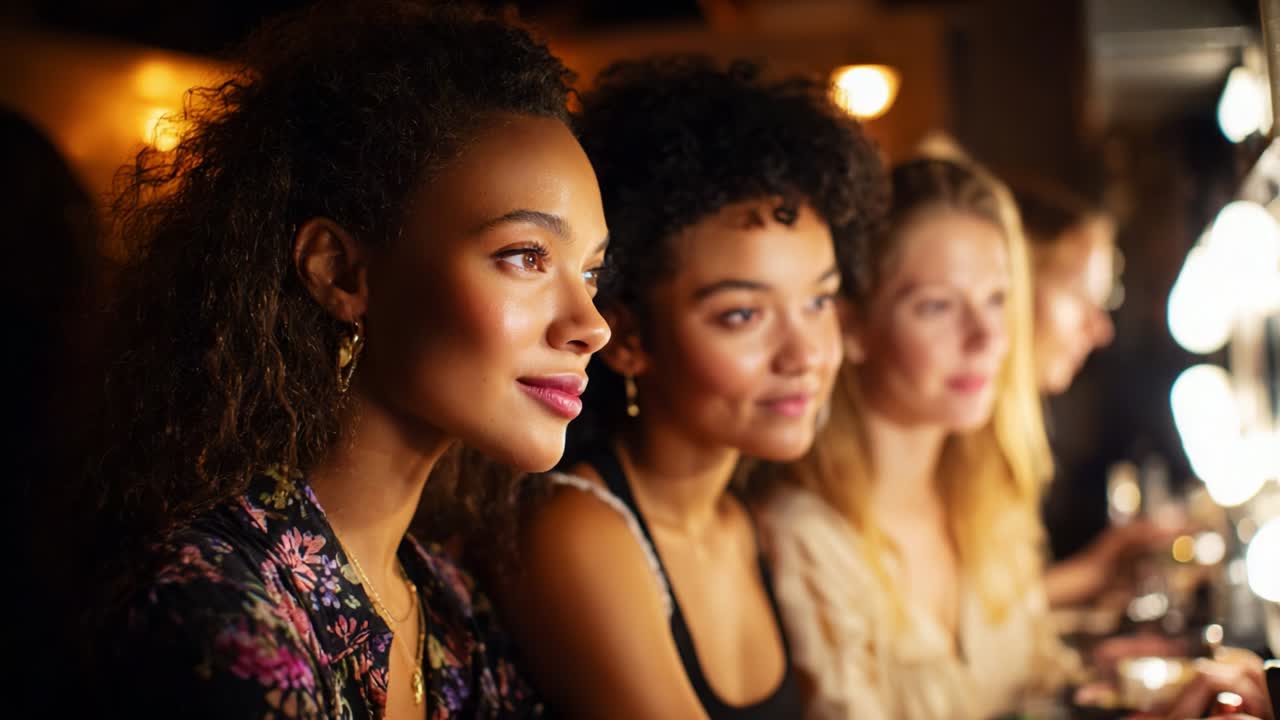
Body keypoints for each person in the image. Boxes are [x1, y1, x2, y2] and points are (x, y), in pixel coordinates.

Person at [86, 3, 609, 717]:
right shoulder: (212, 608)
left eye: (590, 273)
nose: (591, 325)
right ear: (341, 273)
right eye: (525, 256)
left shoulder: (452, 604)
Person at [489, 56, 886, 720]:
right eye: (742, 315)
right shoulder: (574, 530)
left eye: (820, 301)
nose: (806, 355)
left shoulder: (751, 522)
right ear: (629, 337)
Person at [758, 157, 1075, 720]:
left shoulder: (989, 498)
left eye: (998, 299)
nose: (984, 337)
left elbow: (1039, 685)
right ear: (853, 328)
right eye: (937, 306)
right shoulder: (807, 535)